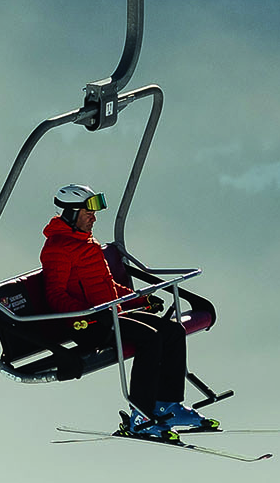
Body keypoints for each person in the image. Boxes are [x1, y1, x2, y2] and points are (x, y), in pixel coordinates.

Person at [39, 184, 213, 436]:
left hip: (111, 314)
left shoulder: (87, 242)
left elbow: (107, 286)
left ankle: (167, 406)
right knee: (150, 339)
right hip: (88, 325)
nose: (94, 217)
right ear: (71, 212)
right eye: (89, 212)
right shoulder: (58, 249)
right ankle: (140, 414)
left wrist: (139, 301)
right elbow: (55, 296)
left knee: (173, 330)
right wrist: (89, 313)